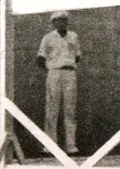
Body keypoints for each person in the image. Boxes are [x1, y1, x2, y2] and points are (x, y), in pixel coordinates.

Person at [37, 11, 81, 156]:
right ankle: (49, 145)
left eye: (64, 20)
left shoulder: (73, 36)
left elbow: (77, 56)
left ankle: (71, 145)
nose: (61, 23)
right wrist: (53, 70)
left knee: (70, 110)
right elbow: (40, 59)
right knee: (52, 109)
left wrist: (67, 66)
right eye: (58, 20)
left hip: (70, 74)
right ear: (53, 23)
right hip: (54, 73)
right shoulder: (48, 38)